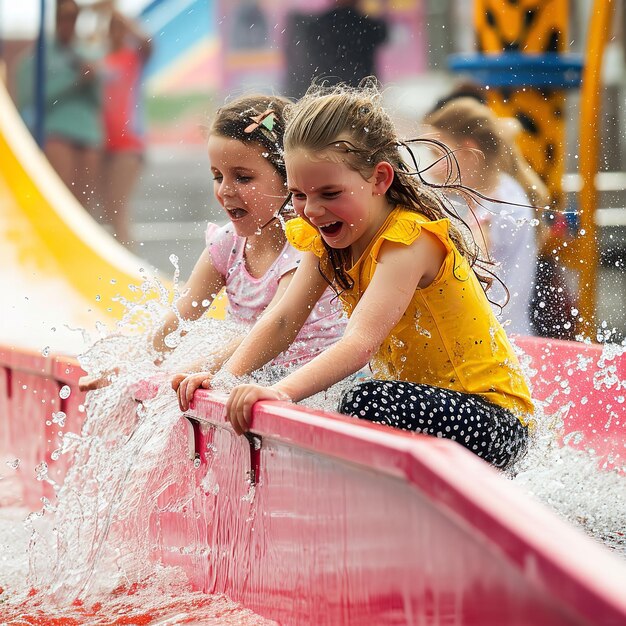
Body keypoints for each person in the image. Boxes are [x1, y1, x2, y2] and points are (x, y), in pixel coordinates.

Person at [174, 84, 534, 470]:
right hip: (426, 405)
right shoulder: (328, 240)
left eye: (330, 193)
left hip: (495, 421)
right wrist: (223, 379)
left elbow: (360, 342)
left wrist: (280, 393)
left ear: (380, 179)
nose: (312, 210)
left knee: (363, 399)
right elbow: (280, 321)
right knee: (337, 390)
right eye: (298, 194)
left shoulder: (407, 241)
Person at [80, 93, 346, 392]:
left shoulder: (305, 246)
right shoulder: (226, 245)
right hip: (252, 377)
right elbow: (180, 315)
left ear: (289, 179)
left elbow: (274, 326)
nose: (225, 191)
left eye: (243, 178)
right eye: (217, 176)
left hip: (309, 384)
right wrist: (132, 363)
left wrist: (194, 371)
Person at [422, 97, 551, 336]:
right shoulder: (501, 191)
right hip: (510, 335)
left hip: (496, 341)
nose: (432, 166)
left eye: (437, 152)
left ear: (469, 151)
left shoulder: (495, 210)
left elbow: (463, 277)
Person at [17, 0, 103, 210]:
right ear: (56, 19)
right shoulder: (39, 55)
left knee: (84, 203)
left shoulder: (88, 53)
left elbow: (99, 102)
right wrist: (74, 82)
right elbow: (30, 98)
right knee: (61, 196)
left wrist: (92, 80)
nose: (68, 23)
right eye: (64, 17)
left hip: (87, 132)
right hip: (57, 131)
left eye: (73, 18)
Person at [100, 7, 152, 245]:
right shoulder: (99, 58)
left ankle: (128, 259)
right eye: (113, 28)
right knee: (108, 208)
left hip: (128, 141)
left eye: (120, 28)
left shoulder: (133, 57)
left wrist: (116, 13)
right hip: (101, 141)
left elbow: (147, 42)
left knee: (118, 209)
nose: (117, 33)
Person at [307, 0, 387, 87]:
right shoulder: (363, 23)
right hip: (361, 88)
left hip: (328, 89)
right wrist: (381, 8)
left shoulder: (319, 24)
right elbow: (382, 34)